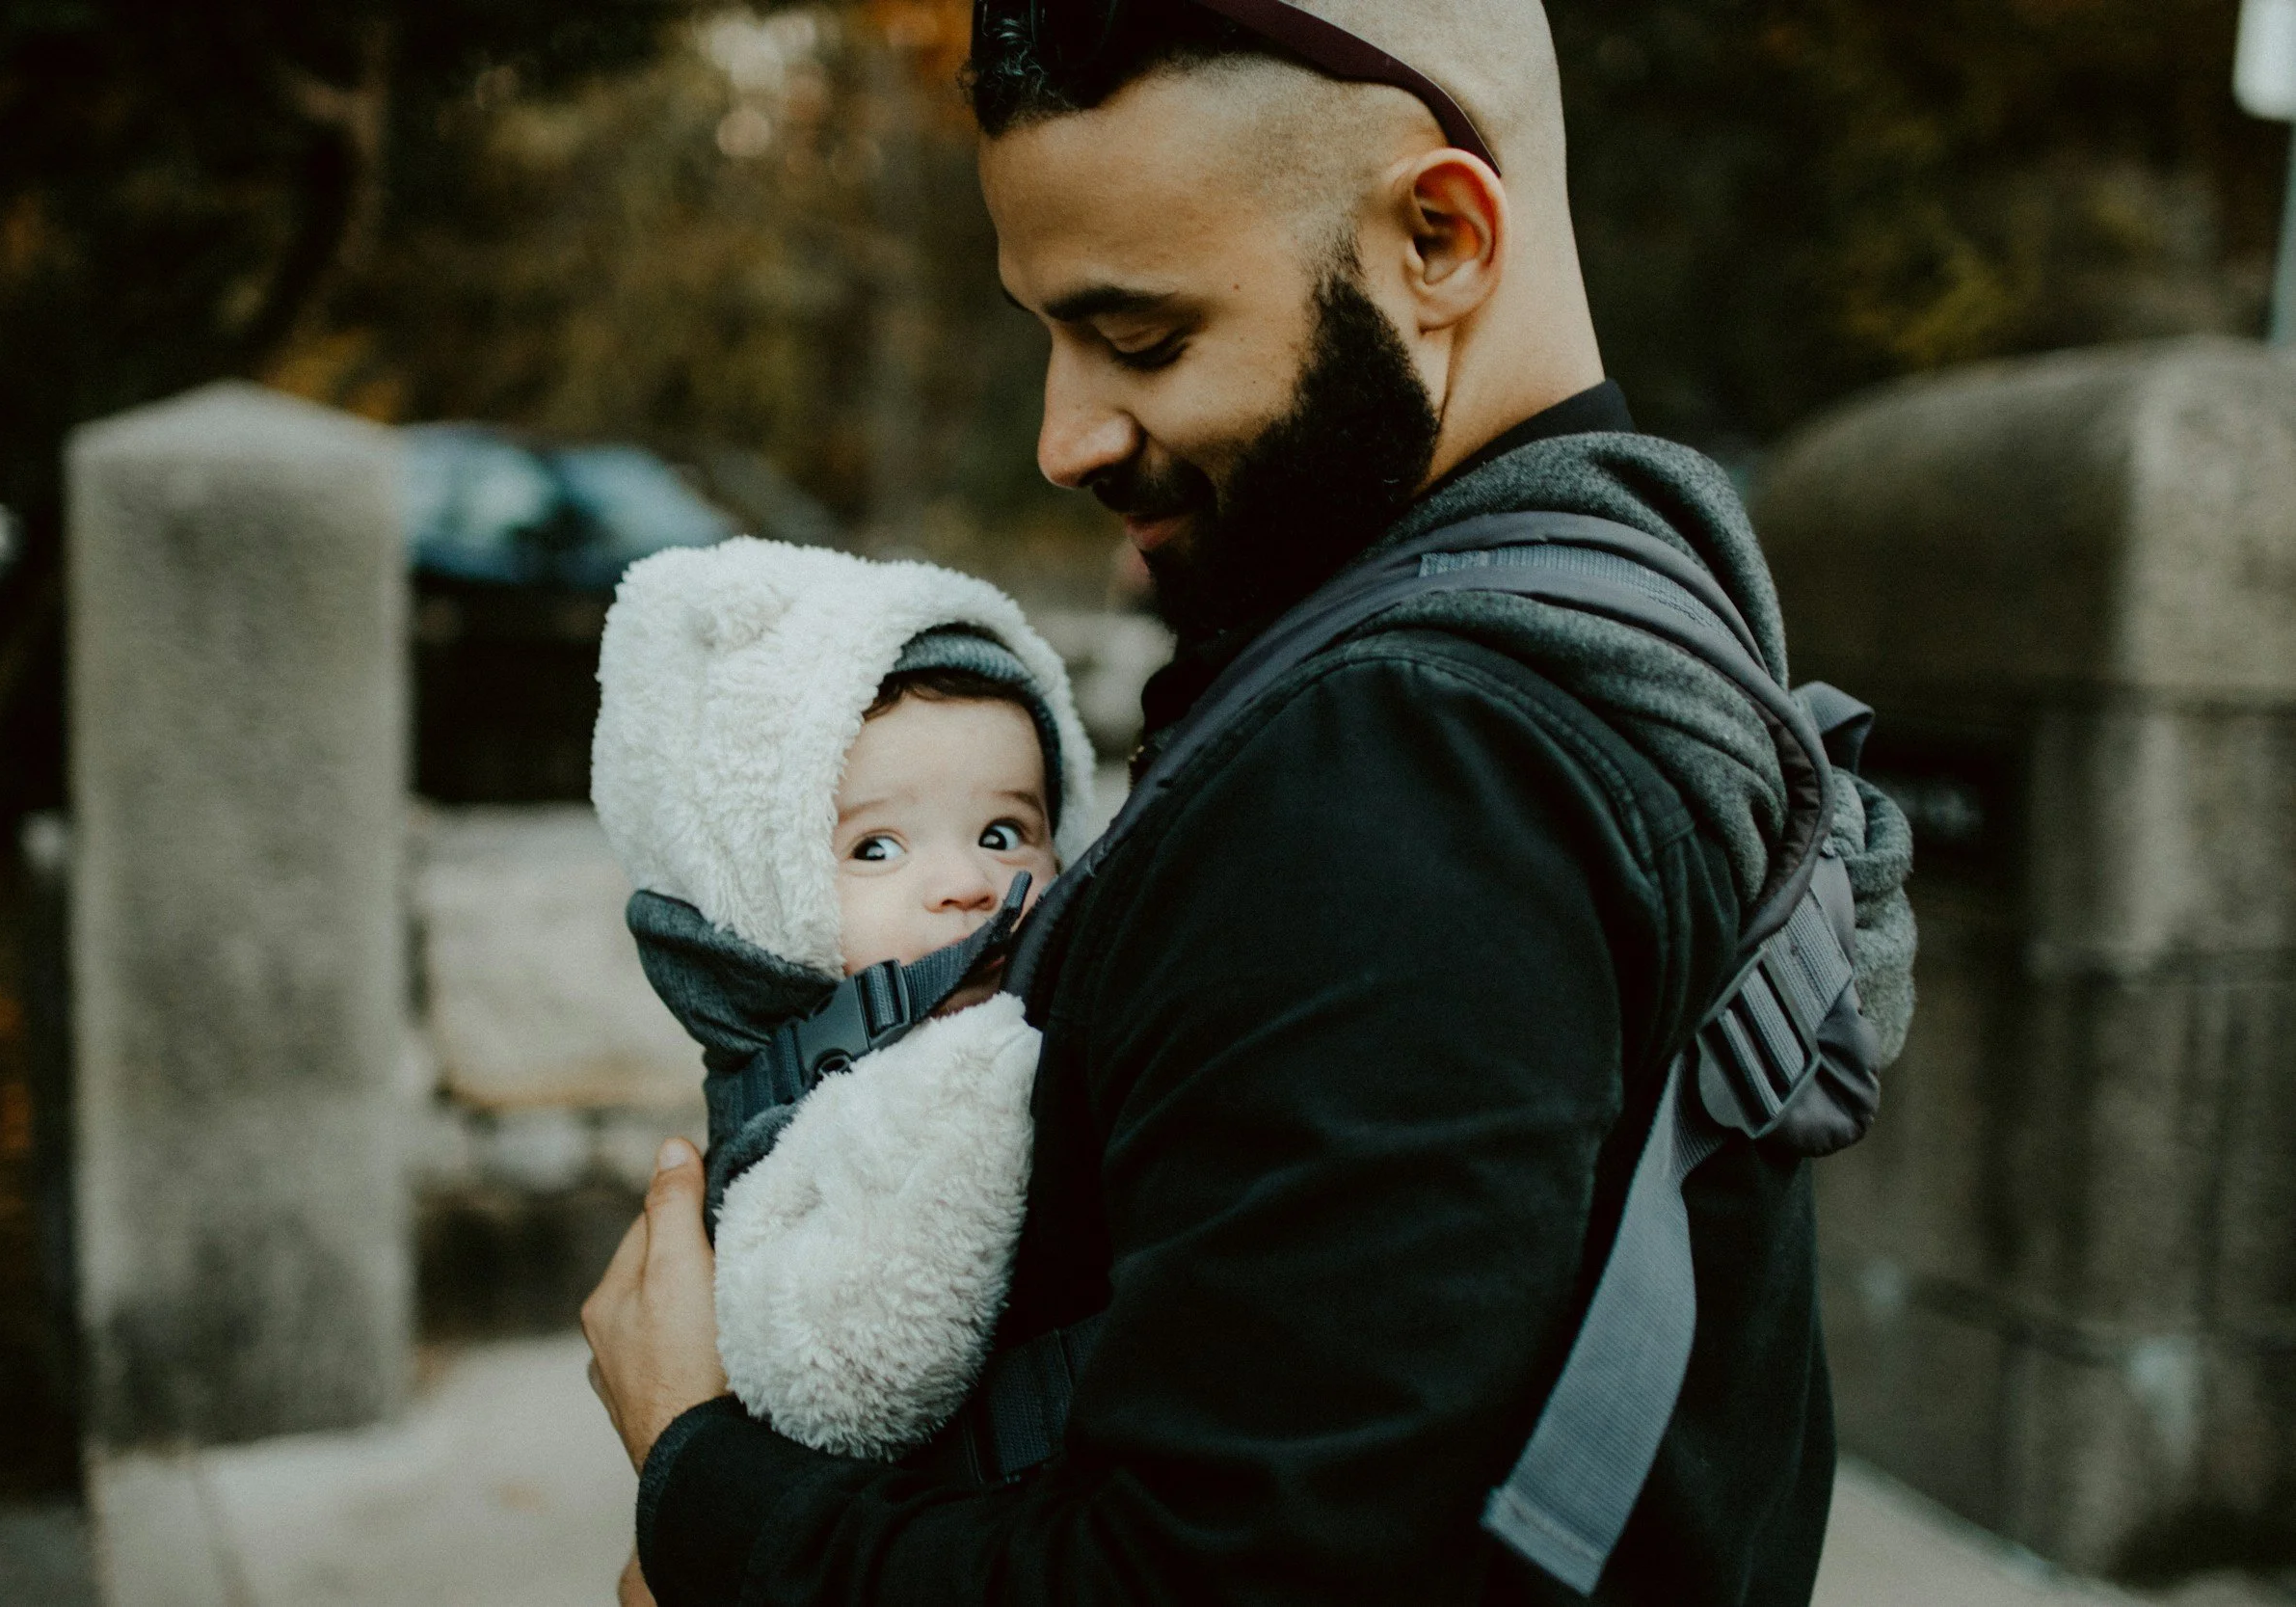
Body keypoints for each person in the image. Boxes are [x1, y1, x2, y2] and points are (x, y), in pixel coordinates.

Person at [581, 3, 1917, 1603]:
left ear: (1439, 235)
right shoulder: (1653, 599)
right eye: (1049, 335)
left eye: (1141, 337)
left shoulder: (1404, 769)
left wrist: (705, 1475)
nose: (1065, 435)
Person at [586, 537, 1097, 1466]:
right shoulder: (797, 1112)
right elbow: (854, 1366)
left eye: (1003, 830)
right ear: (761, 900)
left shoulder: (1069, 1032)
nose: (968, 883)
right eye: (877, 847)